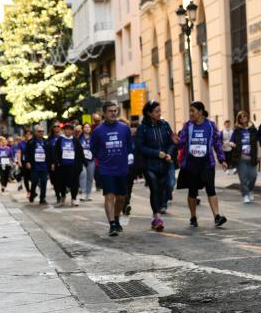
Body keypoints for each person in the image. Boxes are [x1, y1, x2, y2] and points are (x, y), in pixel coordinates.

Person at [176, 101, 228, 228]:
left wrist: (222, 159)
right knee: (192, 191)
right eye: (190, 111)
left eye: (193, 110)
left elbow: (217, 143)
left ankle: (217, 216)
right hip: (191, 164)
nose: (191, 113)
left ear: (200, 112)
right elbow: (181, 143)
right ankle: (193, 217)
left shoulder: (210, 125)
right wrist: (176, 142)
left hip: (207, 163)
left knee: (211, 189)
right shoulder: (188, 126)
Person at [91, 101, 134, 236]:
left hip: (121, 168)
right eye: (110, 111)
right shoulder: (98, 131)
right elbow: (93, 149)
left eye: (115, 111)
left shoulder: (124, 128)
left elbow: (130, 145)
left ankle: (116, 217)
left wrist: (129, 158)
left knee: (121, 197)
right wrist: (102, 159)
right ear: (104, 113)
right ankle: (112, 225)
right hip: (106, 168)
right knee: (109, 196)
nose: (113, 113)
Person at [135, 100, 176, 231]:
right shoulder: (143, 128)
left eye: (160, 111)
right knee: (155, 189)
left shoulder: (164, 125)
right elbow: (140, 147)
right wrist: (156, 153)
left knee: (166, 188)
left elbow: (171, 142)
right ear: (149, 113)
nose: (159, 113)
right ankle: (157, 217)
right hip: (149, 165)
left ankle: (156, 217)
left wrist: (169, 154)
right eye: (156, 111)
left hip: (164, 164)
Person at [231, 110, 259, 204]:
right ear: (238, 119)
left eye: (244, 116)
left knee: (253, 176)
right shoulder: (237, 130)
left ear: (247, 117)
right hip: (241, 158)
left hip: (252, 157)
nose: (243, 118)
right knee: (243, 178)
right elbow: (232, 141)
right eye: (240, 117)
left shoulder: (253, 129)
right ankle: (246, 195)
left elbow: (258, 142)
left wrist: (260, 155)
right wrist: (232, 144)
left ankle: (250, 190)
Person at [53, 123, 84, 207]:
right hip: (62, 166)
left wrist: (83, 163)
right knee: (62, 183)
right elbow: (55, 152)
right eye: (67, 129)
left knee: (74, 183)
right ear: (64, 130)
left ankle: (73, 198)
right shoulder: (60, 139)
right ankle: (63, 198)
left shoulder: (75, 140)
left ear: (72, 131)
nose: (68, 131)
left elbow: (80, 152)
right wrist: (56, 162)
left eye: (70, 129)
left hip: (73, 166)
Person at [24, 125, 50, 204]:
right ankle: (32, 194)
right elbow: (27, 153)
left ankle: (42, 198)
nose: (41, 133)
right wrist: (27, 162)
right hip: (35, 166)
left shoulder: (46, 141)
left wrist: (51, 163)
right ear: (35, 132)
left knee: (43, 182)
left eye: (42, 131)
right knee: (34, 181)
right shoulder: (31, 142)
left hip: (44, 165)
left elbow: (49, 153)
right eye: (39, 131)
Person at [79, 123, 95, 201]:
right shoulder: (80, 138)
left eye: (89, 127)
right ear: (83, 129)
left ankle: (88, 194)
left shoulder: (93, 138)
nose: (87, 128)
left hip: (91, 160)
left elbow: (96, 148)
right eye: (85, 127)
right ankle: (83, 193)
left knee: (90, 177)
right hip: (82, 160)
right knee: (83, 175)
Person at [16, 130, 32, 195]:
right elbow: (19, 153)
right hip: (24, 162)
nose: (28, 135)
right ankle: (28, 191)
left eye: (30, 134)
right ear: (24, 135)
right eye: (27, 134)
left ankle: (32, 190)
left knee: (33, 177)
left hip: (32, 162)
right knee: (26, 177)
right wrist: (19, 161)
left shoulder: (32, 142)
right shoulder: (21, 143)